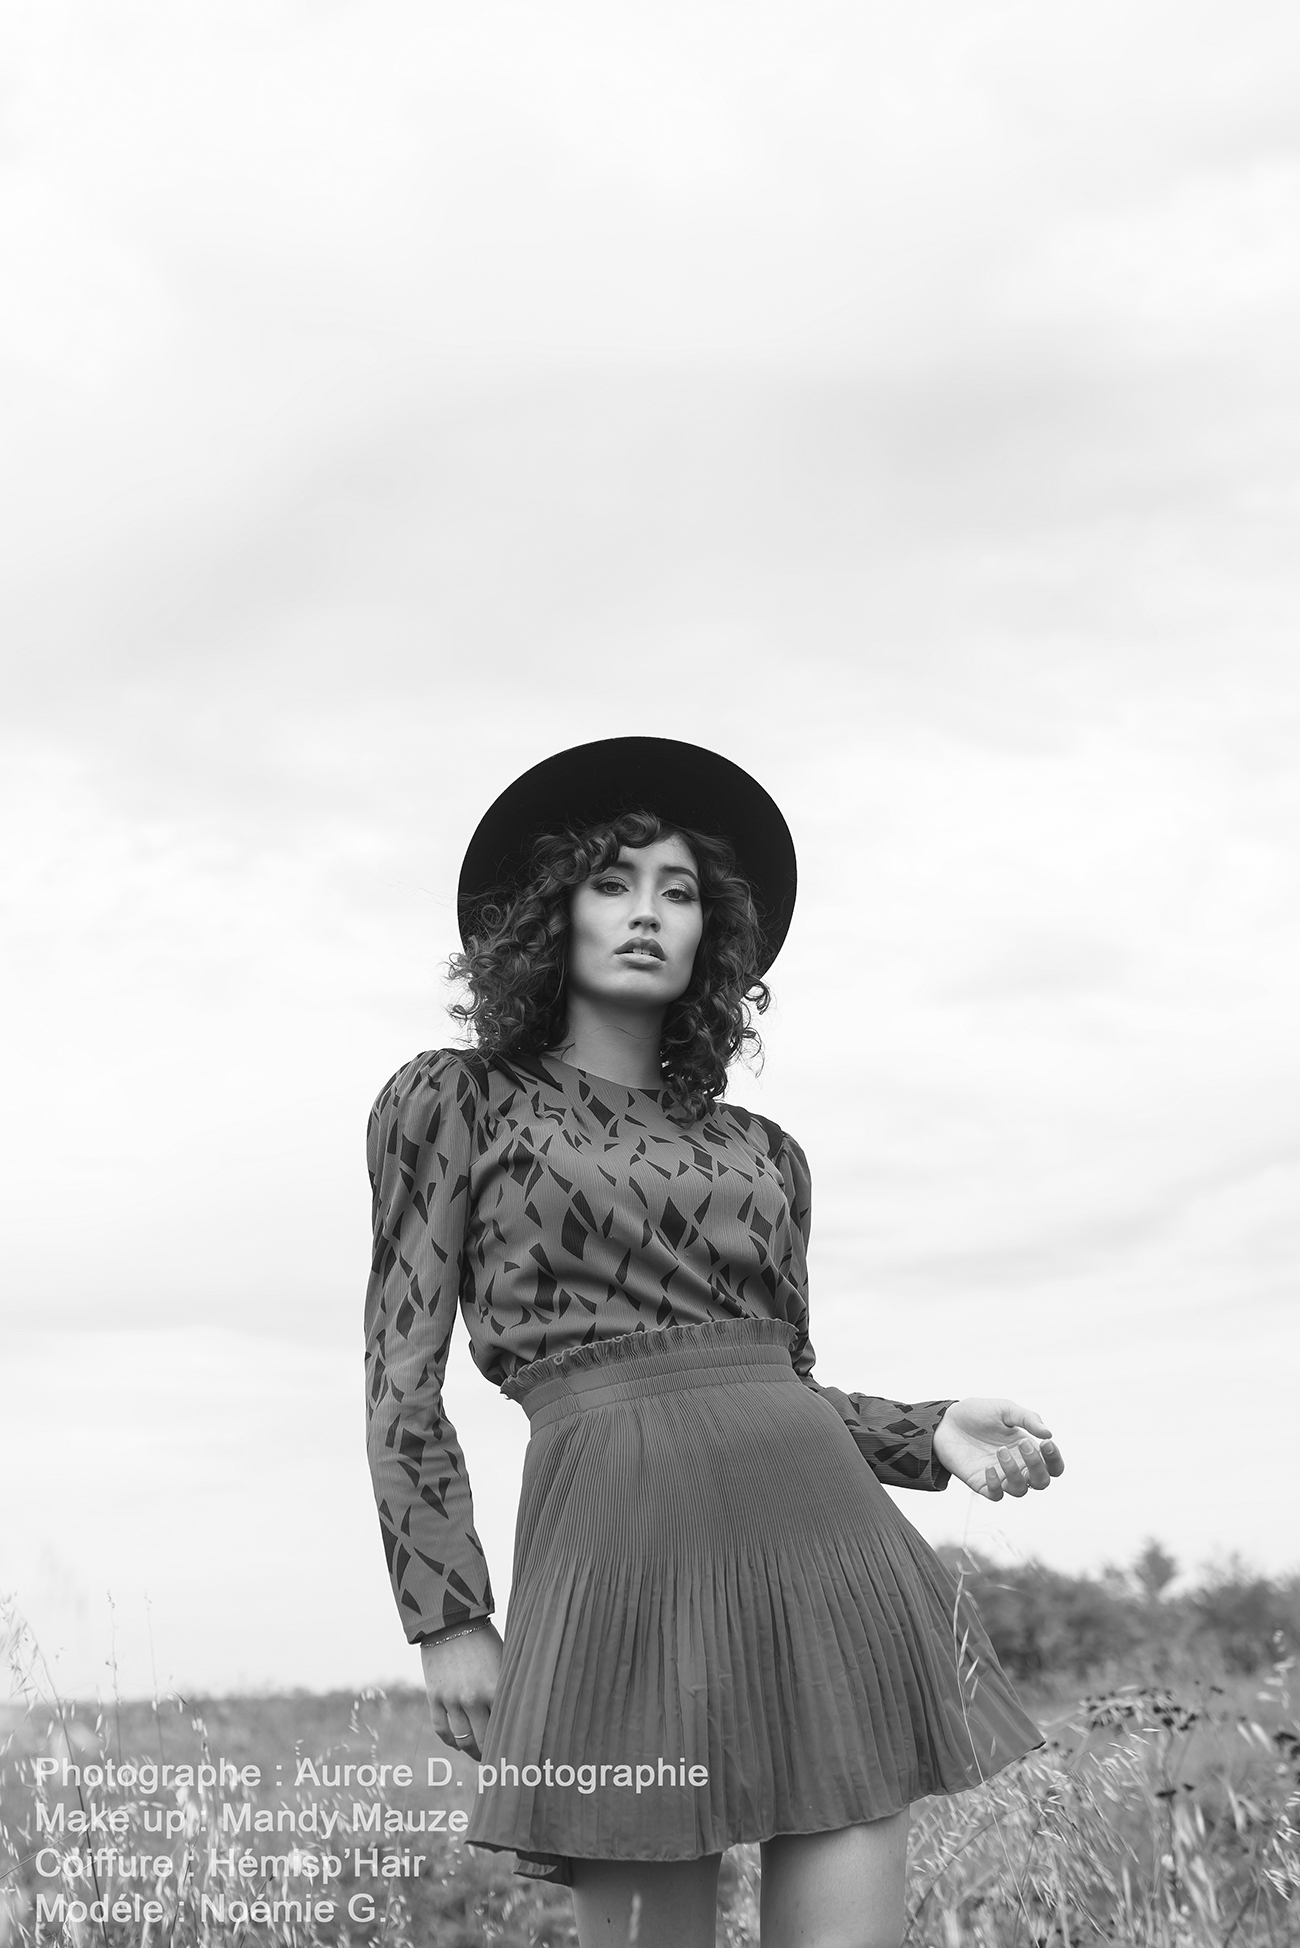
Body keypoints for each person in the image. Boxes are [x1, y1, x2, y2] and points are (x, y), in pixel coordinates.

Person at [364, 735, 1064, 1948]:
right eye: (612, 881)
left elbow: (779, 1376)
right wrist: (447, 1611)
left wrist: (927, 1430)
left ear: (712, 934)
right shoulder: (453, 1098)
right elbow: (398, 1377)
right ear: (551, 913)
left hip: (826, 1548)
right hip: (614, 1560)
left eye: (677, 891)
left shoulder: (766, 1152)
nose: (647, 912)